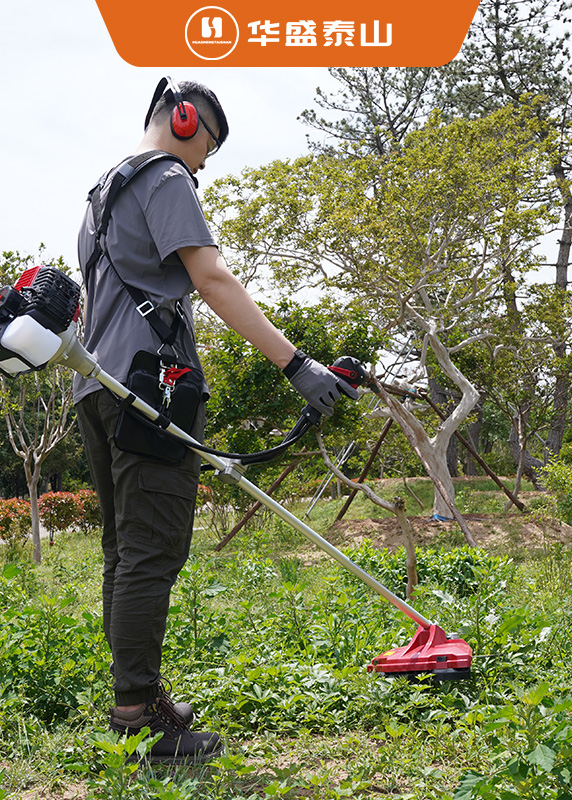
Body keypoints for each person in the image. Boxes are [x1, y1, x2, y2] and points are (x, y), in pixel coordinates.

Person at [73, 77, 357, 763]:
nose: (203, 166)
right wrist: (298, 367)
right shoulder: (166, 175)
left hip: (96, 387)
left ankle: (135, 696)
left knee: (125, 551)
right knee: (153, 551)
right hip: (151, 387)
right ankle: (138, 716)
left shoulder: (99, 195)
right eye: (208, 149)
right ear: (184, 118)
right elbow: (213, 278)